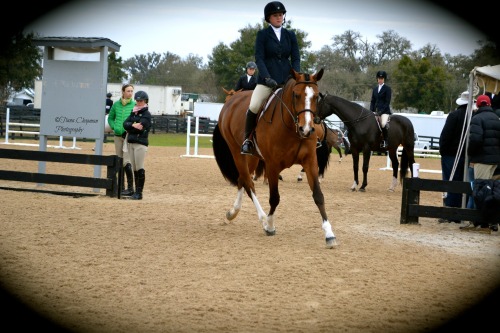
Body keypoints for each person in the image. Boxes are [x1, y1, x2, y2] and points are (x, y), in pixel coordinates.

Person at [241, 1, 300, 155]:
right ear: (269, 18)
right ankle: (248, 140)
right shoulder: (263, 35)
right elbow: (259, 58)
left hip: (288, 80)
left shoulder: (290, 35)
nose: (279, 17)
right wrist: (267, 78)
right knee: (254, 105)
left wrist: (296, 77)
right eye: (275, 15)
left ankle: (309, 136)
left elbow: (296, 59)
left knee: (303, 102)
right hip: (267, 81)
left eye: (281, 15)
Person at [467, 94, 500, 228]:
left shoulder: (477, 118)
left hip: (482, 159)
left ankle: (481, 220)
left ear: (478, 105)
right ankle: (493, 220)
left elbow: (475, 140)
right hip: (496, 161)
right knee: (493, 191)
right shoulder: (497, 119)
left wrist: (471, 154)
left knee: (481, 191)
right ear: (490, 104)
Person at [438, 91, 470, 223]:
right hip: (467, 156)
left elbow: (445, 137)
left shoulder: (454, 115)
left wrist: (443, 152)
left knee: (449, 182)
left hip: (451, 155)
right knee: (464, 183)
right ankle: (462, 211)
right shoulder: (473, 116)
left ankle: (450, 212)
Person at [122, 90, 152, 200]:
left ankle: (140, 192)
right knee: (134, 167)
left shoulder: (146, 114)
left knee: (139, 167)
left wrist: (131, 126)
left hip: (140, 144)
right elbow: (125, 124)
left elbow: (140, 128)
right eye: (138, 100)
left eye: (141, 100)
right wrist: (132, 125)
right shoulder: (133, 112)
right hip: (131, 142)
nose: (139, 102)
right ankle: (135, 191)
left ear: (145, 101)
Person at [108, 84, 136, 197]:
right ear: (123, 92)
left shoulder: (134, 105)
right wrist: (114, 127)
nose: (130, 93)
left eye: (131, 91)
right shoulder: (116, 105)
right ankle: (121, 187)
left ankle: (130, 188)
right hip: (117, 136)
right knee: (119, 161)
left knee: (126, 162)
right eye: (128, 91)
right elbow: (110, 118)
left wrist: (130, 129)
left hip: (128, 137)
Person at [370, 70, 392, 149]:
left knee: (383, 124)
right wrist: (371, 111)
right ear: (377, 79)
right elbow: (372, 101)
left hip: (384, 111)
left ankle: (386, 140)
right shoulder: (375, 89)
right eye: (379, 78)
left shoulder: (387, 89)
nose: (380, 80)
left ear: (384, 79)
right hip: (375, 111)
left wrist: (381, 112)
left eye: (382, 78)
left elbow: (387, 102)